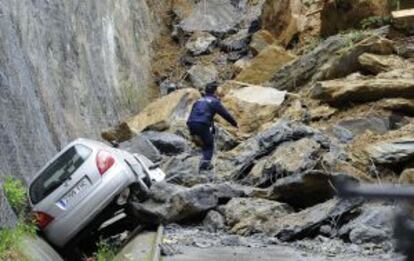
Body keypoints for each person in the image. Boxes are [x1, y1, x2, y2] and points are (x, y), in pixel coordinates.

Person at [187, 82, 238, 172]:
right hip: (202, 124)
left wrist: (212, 129)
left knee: (202, 142)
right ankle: (205, 166)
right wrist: (235, 124)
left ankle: (194, 160)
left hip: (191, 123)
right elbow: (225, 114)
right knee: (209, 145)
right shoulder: (214, 102)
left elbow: (196, 114)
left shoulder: (199, 100)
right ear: (214, 92)